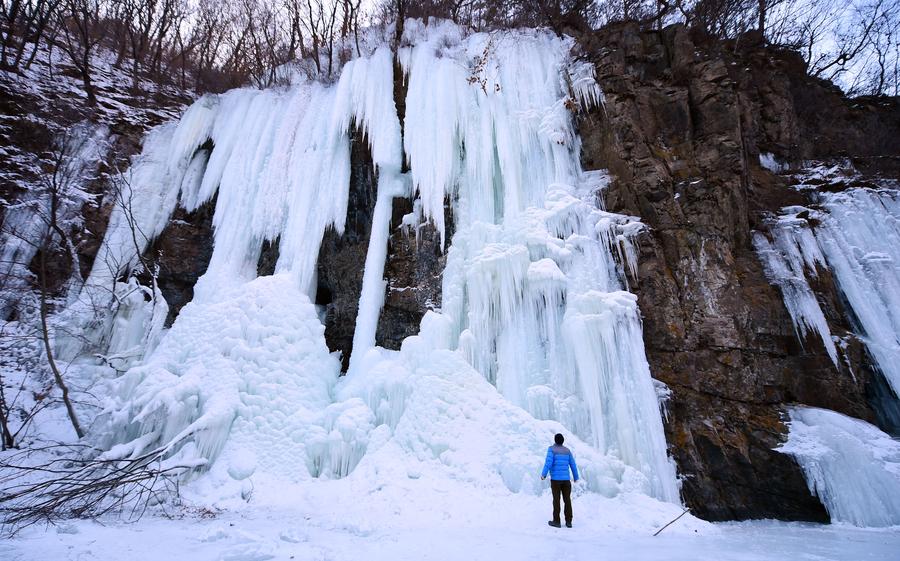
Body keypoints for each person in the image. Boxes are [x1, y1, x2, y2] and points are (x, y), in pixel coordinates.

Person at [541, 433, 579, 528]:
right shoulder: (567, 451)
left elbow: (548, 463)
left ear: (555, 440)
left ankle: (557, 521)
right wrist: (576, 477)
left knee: (556, 500)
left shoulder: (551, 449)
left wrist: (543, 474)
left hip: (555, 480)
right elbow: (573, 465)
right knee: (567, 500)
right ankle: (568, 521)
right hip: (566, 480)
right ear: (563, 441)